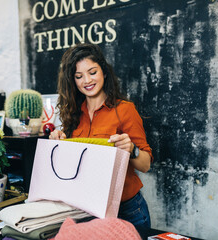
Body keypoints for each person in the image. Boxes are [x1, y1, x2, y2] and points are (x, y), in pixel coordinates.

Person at [49, 43, 153, 230]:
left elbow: (145, 165)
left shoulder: (125, 110)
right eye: (79, 76)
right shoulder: (72, 116)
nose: (87, 80)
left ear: (104, 72)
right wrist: (59, 145)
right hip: (87, 211)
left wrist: (131, 149)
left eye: (92, 72)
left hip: (128, 211)